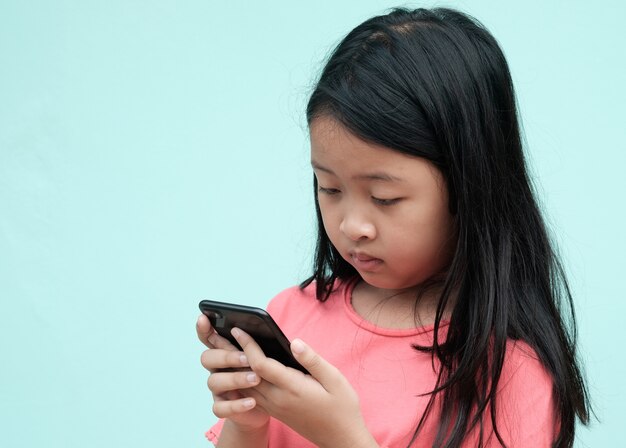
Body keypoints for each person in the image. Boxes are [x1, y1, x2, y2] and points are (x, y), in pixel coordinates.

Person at [196, 7, 591, 447]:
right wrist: (247, 424)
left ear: (470, 186)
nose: (352, 225)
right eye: (329, 188)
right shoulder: (293, 316)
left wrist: (343, 438)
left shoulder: (510, 375)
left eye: (385, 198)